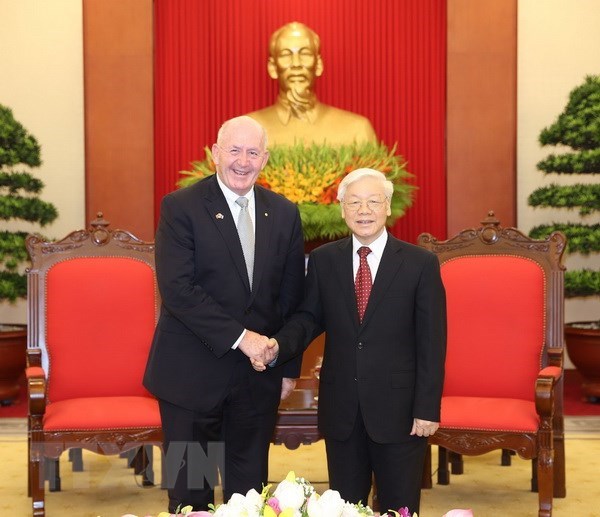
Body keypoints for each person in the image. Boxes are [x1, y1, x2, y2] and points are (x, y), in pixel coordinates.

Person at [255, 168, 446, 515]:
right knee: (344, 507)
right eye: (354, 202)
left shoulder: (420, 264)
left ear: (387, 207)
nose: (364, 210)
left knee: (400, 508)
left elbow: (432, 343)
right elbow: (308, 319)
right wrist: (278, 346)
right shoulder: (325, 259)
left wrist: (427, 408)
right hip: (342, 410)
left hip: (400, 412)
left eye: (373, 201)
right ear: (342, 209)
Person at [143, 116, 306, 512]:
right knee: (191, 497)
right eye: (234, 150)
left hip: (257, 381)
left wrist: (287, 367)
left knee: (249, 497)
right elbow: (179, 290)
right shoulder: (181, 207)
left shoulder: (284, 213)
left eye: (252, 152)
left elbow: (291, 298)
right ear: (215, 153)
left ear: (265, 159)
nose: (243, 161)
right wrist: (243, 338)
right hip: (191, 379)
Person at [247, 21, 377, 146]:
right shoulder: (244, 131)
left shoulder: (357, 130)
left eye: (305, 54)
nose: (296, 64)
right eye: (286, 55)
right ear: (272, 68)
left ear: (318, 65)